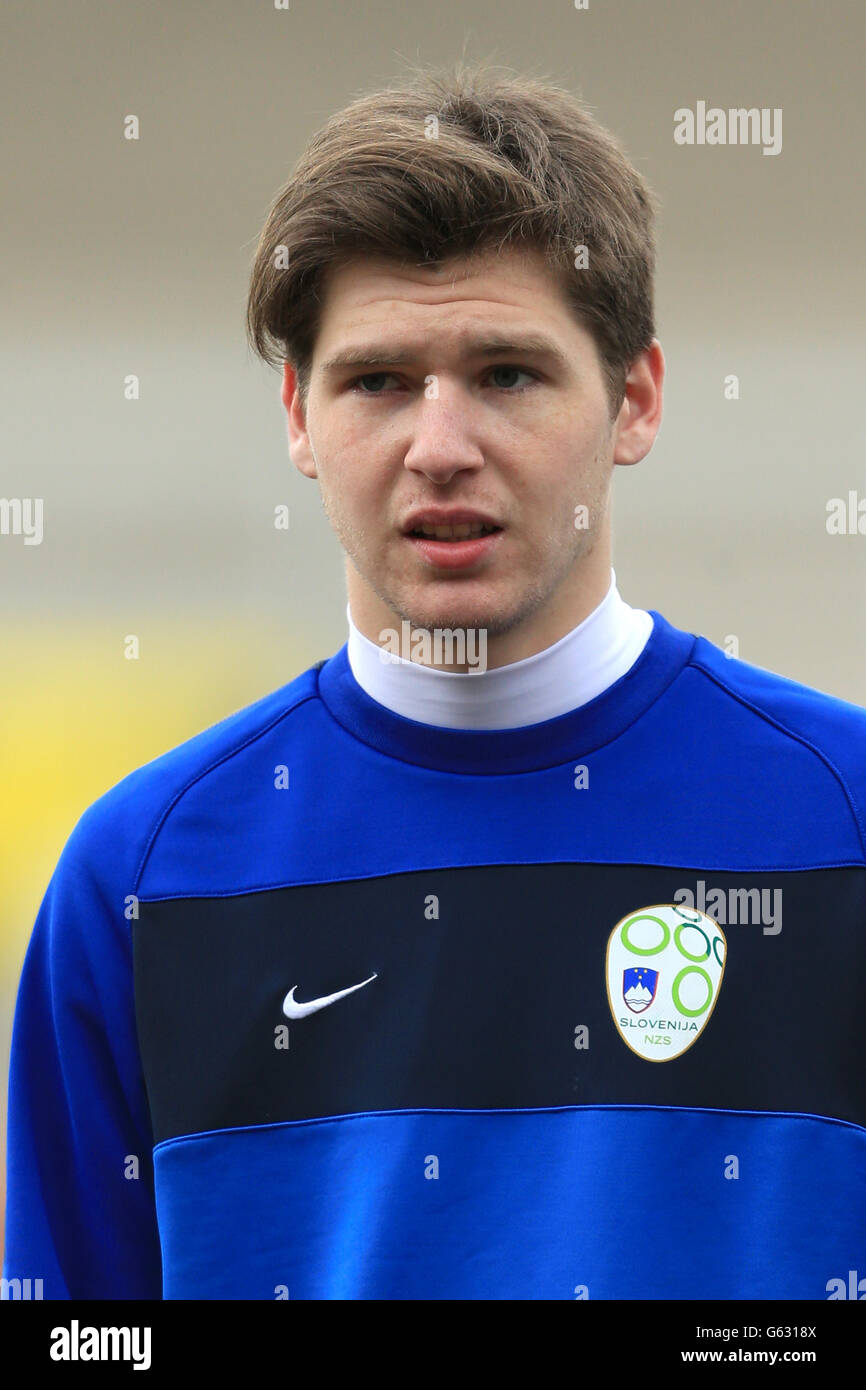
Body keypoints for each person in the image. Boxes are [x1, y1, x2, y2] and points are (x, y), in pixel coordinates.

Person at [4, 61, 865, 1302]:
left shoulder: (839, 822)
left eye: (507, 374)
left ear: (633, 398)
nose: (441, 446)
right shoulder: (141, 877)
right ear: (299, 415)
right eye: (379, 382)